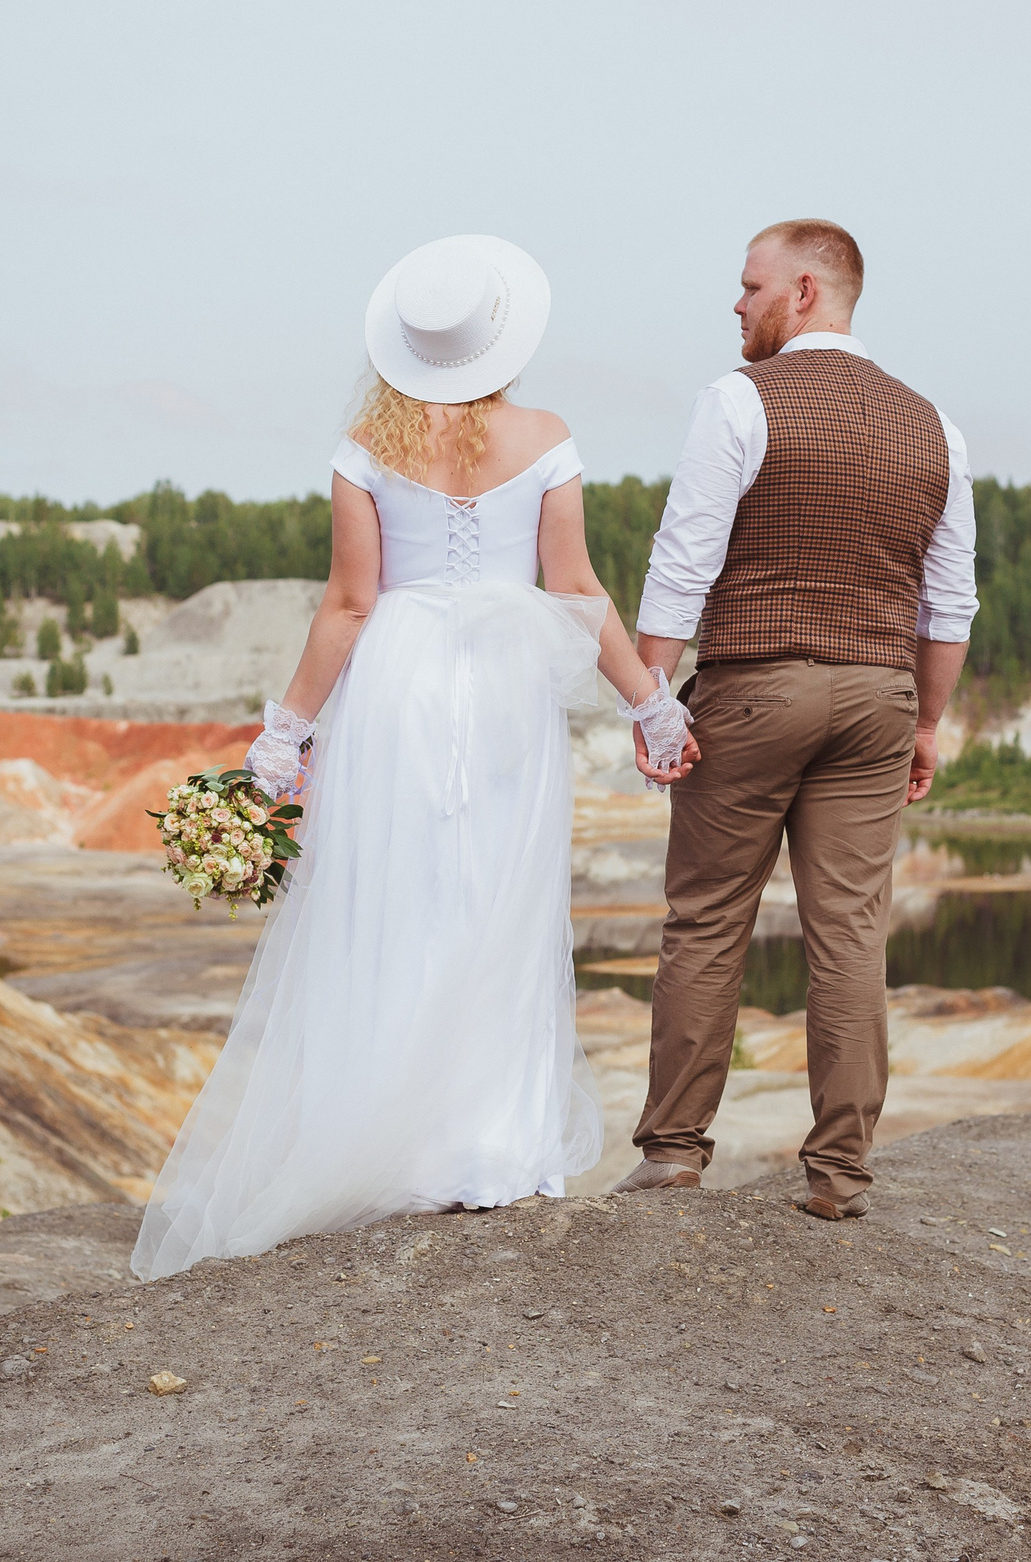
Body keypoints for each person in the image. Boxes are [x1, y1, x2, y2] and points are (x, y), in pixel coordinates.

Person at [131, 235, 694, 1279]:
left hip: (398, 684)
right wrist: (651, 703)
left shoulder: (363, 446)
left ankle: (398, 1146)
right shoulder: (549, 436)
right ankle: (494, 1144)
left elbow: (349, 607)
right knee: (499, 895)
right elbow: (575, 588)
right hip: (511, 688)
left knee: (397, 898)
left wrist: (285, 732)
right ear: (499, 339)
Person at [613, 219, 978, 1220]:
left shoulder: (738, 401)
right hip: (877, 697)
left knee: (707, 920)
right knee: (851, 934)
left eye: (749, 286)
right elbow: (950, 604)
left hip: (756, 687)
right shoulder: (933, 425)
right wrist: (927, 723)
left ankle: (676, 1152)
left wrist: (652, 698)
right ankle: (840, 1172)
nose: (736, 305)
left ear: (807, 291)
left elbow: (683, 558)